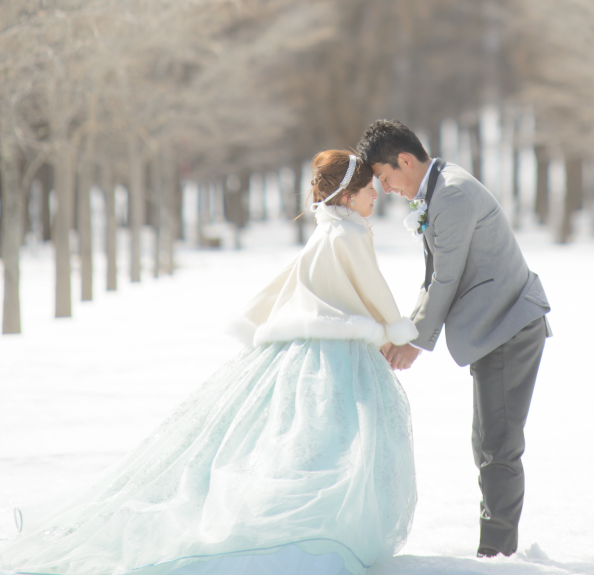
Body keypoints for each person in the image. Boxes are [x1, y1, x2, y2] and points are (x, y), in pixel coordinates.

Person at [0, 152, 416, 575]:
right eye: (369, 190)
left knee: (300, 437)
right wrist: (396, 332)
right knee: (340, 441)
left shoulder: (326, 230)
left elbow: (286, 284)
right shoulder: (349, 233)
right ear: (347, 196)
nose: (376, 197)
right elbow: (374, 291)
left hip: (309, 345)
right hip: (338, 352)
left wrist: (258, 319)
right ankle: (323, 529)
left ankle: (308, 524)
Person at [357, 120, 551, 560]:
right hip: (494, 326)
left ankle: (497, 555)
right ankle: (496, 551)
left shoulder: (453, 194)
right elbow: (434, 278)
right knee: (486, 442)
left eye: (385, 177)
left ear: (405, 160)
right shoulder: (438, 190)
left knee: (498, 446)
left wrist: (414, 344)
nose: (386, 189)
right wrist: (405, 331)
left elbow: (447, 279)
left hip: (509, 325)